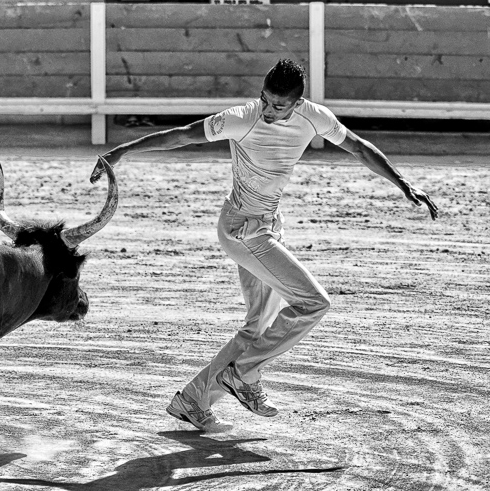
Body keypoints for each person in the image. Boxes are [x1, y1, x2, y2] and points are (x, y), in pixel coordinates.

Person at [90, 59, 438, 433]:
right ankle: (244, 374)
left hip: (269, 225)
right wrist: (120, 151)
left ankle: (193, 400)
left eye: (279, 105)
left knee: (257, 328)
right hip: (244, 230)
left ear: (297, 102)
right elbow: (182, 134)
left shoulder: (315, 117)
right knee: (313, 303)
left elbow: (359, 147)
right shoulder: (243, 117)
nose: (269, 110)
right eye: (265, 100)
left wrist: (403, 183)